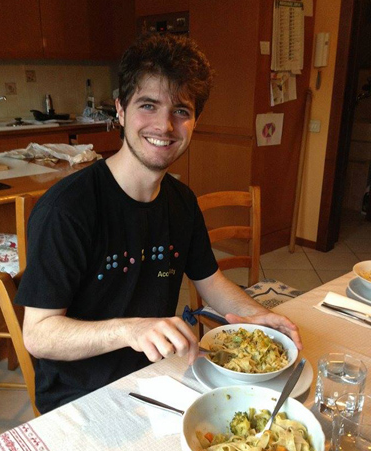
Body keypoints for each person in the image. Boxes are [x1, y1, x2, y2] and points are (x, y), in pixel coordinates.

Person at [16, 32, 302, 414]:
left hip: (160, 378)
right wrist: (131, 329)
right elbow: (39, 334)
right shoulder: (68, 208)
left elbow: (210, 280)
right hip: (80, 400)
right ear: (119, 110)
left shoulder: (181, 201)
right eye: (148, 105)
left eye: (181, 111)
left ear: (195, 120)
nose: (165, 125)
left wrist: (257, 315)